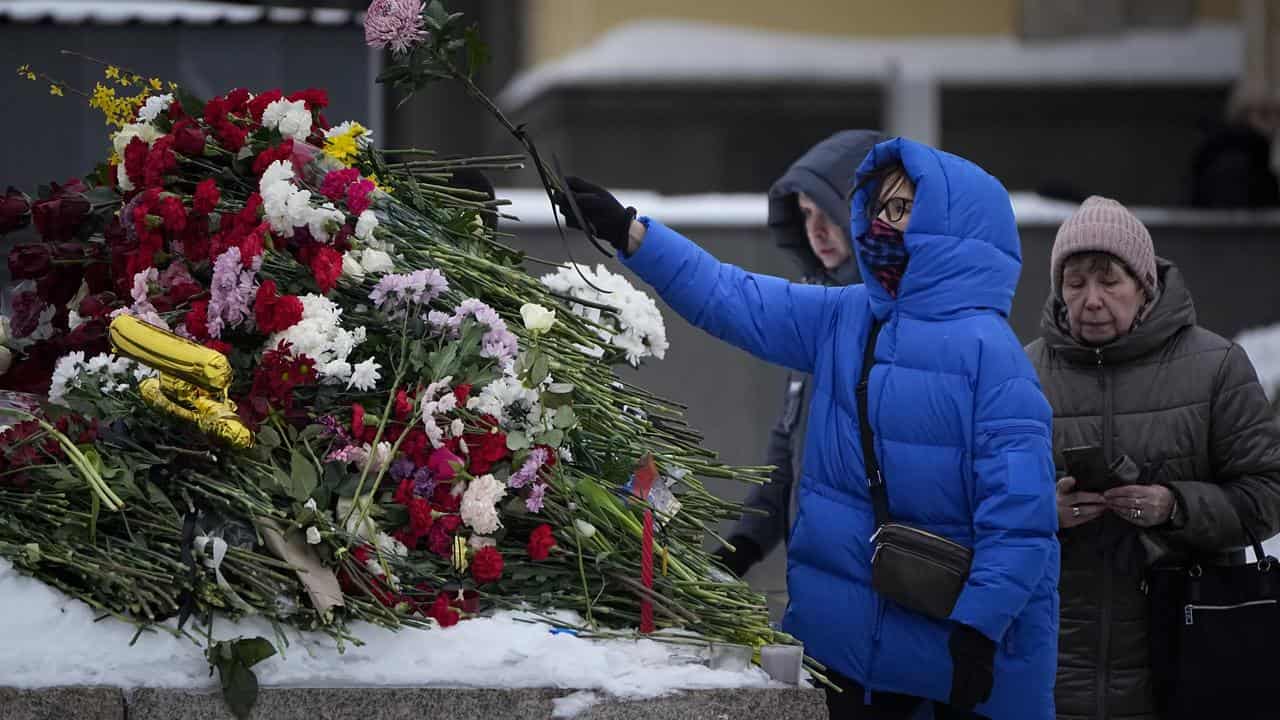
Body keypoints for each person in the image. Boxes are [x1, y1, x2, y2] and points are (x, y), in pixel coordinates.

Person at [554, 137, 1060, 720]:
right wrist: (631, 235)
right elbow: (731, 296)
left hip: (954, 662)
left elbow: (1020, 519)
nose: (879, 223)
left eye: (901, 209)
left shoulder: (992, 358)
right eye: (877, 207)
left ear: (952, 226)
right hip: (844, 658)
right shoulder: (846, 316)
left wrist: (979, 628)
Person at [1023, 196, 1280, 720]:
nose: (1091, 299)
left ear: (1145, 285)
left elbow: (1267, 494)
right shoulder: (1024, 372)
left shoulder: (1216, 367)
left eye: (1109, 280)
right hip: (1052, 663)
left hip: (1183, 656)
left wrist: (1173, 507)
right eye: (1075, 283)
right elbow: (976, 500)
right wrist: (1040, 513)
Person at [714, 129, 886, 579]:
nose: (816, 230)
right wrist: (743, 546)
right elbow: (787, 455)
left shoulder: (898, 320)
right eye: (806, 214)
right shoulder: (816, 317)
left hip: (879, 582)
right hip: (815, 578)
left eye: (828, 211)